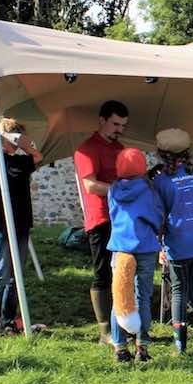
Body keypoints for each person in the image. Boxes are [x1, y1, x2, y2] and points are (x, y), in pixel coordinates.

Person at [153, 128, 193, 356]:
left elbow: (160, 217)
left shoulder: (161, 181)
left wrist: (159, 242)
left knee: (179, 289)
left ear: (162, 154)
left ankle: (180, 347)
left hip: (178, 240)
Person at [106, 148, 175, 363]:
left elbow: (111, 212)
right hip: (144, 246)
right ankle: (142, 347)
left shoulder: (113, 189)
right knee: (142, 296)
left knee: (119, 296)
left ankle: (119, 348)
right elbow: (157, 216)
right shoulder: (149, 190)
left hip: (120, 247)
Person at [0, 118, 42, 334]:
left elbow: (37, 156)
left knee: (16, 276)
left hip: (21, 222)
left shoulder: (22, 162)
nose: (14, 141)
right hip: (1, 224)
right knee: (1, 272)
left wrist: (23, 142)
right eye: (11, 136)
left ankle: (8, 320)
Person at [73, 100, 128, 344]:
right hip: (100, 218)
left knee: (123, 269)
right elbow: (90, 185)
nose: (119, 129)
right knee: (102, 271)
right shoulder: (87, 149)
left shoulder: (120, 148)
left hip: (122, 217)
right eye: (116, 124)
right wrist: (120, 191)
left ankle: (122, 322)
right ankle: (105, 329)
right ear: (102, 120)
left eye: (123, 125)